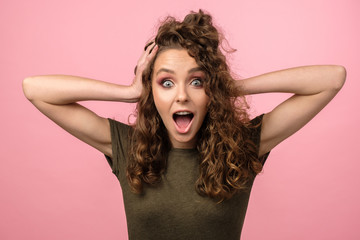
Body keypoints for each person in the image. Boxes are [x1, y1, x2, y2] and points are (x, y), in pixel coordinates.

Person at [22, 9, 346, 240]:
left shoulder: (243, 146)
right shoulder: (127, 148)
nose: (181, 97)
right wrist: (130, 91)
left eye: (196, 82)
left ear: (211, 90)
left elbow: (331, 79)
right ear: (153, 91)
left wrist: (229, 85)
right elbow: (35, 89)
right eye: (165, 83)